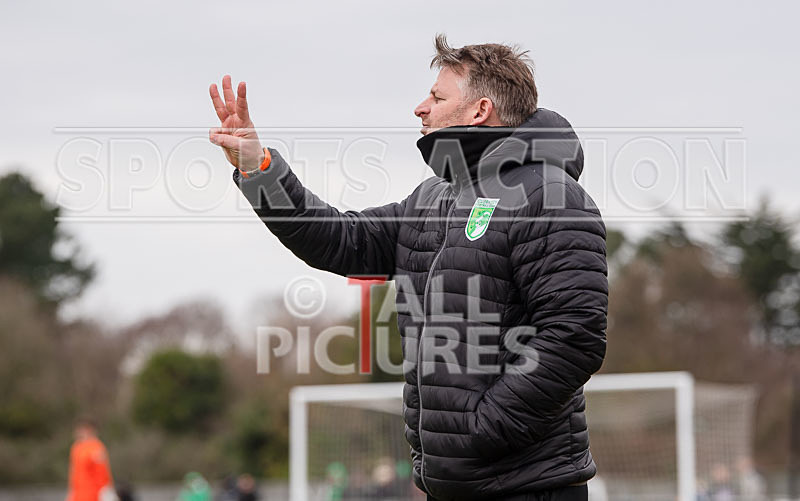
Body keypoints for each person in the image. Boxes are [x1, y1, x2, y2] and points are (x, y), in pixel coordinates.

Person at [209, 34, 607, 501]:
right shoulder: (431, 199)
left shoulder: (551, 195)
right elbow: (339, 239)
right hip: (449, 485)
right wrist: (258, 168)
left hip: (530, 487)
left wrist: (481, 429)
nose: (421, 108)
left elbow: (574, 335)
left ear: (480, 110)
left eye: (437, 97)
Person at [66, 417, 115, 501]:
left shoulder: (96, 447)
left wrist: (107, 491)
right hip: (79, 494)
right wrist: (71, 494)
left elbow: (102, 473)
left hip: (94, 494)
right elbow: (73, 474)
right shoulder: (76, 447)